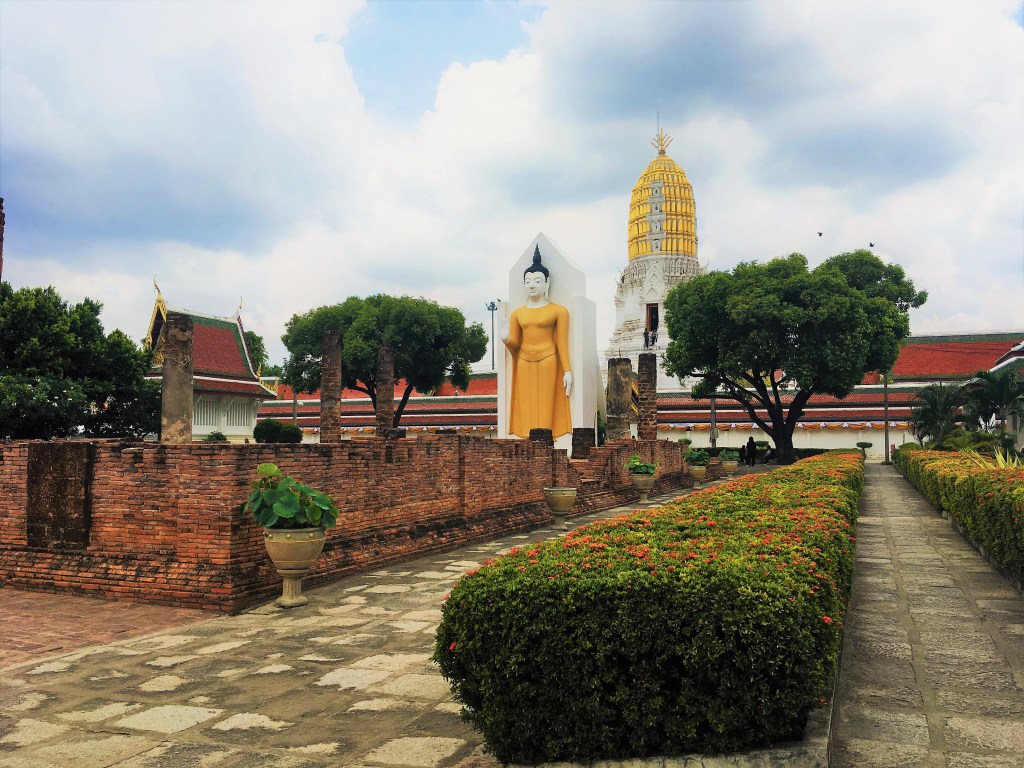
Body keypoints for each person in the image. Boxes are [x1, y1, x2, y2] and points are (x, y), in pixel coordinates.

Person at [500, 247, 572, 438]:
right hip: (524, 359)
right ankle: (528, 443)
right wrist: (506, 339)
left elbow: (561, 343)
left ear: (547, 283)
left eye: (537, 281)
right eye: (528, 281)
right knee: (526, 402)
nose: (532, 285)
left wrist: (567, 370)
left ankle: (546, 442)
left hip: (548, 357)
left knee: (546, 403)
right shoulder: (518, 313)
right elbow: (515, 345)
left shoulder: (558, 311)